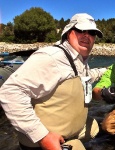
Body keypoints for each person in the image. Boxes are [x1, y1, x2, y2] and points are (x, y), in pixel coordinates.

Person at [0, 13, 107, 150]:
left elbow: (87, 76)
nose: (87, 35)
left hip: (68, 132)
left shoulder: (80, 60)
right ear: (68, 33)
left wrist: (106, 70)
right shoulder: (51, 58)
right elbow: (10, 92)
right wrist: (42, 136)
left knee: (93, 127)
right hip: (44, 143)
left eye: (92, 33)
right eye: (81, 30)